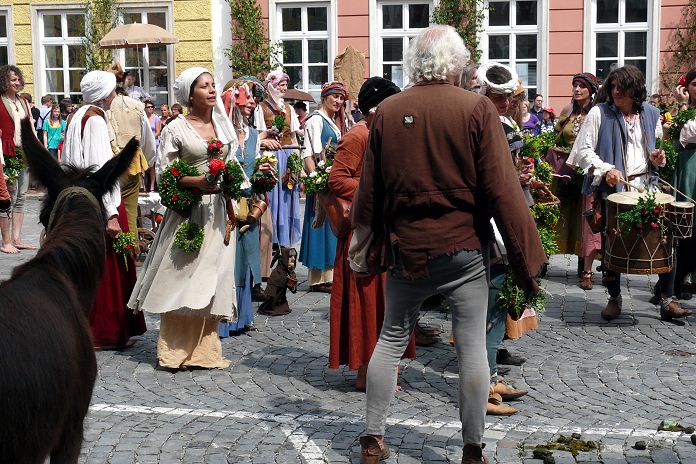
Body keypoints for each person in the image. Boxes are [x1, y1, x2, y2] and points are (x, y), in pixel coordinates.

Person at [353, 25, 546, 464]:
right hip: (463, 250)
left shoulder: (386, 112)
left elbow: (369, 192)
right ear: (456, 64)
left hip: (408, 249)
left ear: (415, 63)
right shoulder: (476, 109)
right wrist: (528, 260)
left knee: (390, 339)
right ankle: (473, 449)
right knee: (473, 346)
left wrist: (366, 241)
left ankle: (372, 438)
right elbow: (502, 190)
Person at [128, 67, 244, 369]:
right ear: (189, 94)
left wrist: (242, 186)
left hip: (217, 211)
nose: (211, 89)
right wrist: (198, 183)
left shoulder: (222, 124)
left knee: (213, 277)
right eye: (203, 86)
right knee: (182, 275)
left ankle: (205, 351)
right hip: (188, 212)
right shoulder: (174, 129)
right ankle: (173, 351)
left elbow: (232, 165)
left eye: (213, 84)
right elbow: (165, 175)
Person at [569, 65, 692, 321]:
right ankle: (614, 298)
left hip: (647, 187)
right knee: (612, 244)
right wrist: (605, 169)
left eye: (621, 88)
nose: (615, 92)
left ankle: (667, 300)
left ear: (635, 90)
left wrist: (657, 158)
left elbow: (654, 151)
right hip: (614, 191)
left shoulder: (651, 113)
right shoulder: (598, 113)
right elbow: (583, 152)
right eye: (612, 86)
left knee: (665, 242)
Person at [328, 76, 416, 391]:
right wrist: (376, 190)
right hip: (362, 233)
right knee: (366, 301)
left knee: (383, 302)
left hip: (382, 229)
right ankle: (369, 373)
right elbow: (337, 180)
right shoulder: (358, 135)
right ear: (374, 108)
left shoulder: (382, 133)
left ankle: (375, 372)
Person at [62, 70, 147, 349]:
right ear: (103, 94)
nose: (114, 96)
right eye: (112, 91)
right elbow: (101, 168)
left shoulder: (77, 115)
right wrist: (111, 212)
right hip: (100, 202)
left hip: (80, 199)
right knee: (110, 267)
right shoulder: (96, 120)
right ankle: (105, 332)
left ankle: (83, 326)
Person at [477, 62, 535, 416]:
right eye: (501, 96)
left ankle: (491, 374)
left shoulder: (498, 120)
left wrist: (521, 175)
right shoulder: (486, 121)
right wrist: (517, 177)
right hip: (491, 224)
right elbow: (492, 176)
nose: (508, 102)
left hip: (502, 218)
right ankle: (482, 384)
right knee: (490, 301)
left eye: (509, 97)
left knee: (499, 300)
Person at [219, 81, 275, 335]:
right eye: (247, 97)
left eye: (253, 99)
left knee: (244, 258)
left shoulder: (253, 135)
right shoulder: (220, 133)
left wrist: (264, 178)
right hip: (225, 204)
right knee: (226, 260)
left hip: (248, 204)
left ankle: (242, 316)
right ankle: (223, 318)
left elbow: (253, 169)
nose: (252, 102)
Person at [299, 82, 346, 293]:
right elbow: (309, 153)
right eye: (334, 97)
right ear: (325, 97)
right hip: (321, 178)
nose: (338, 101)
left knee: (331, 226)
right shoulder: (316, 120)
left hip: (330, 177)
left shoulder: (331, 121)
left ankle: (330, 273)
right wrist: (317, 179)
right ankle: (319, 277)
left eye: (341, 98)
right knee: (321, 223)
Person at [555, 72, 600, 286]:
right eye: (574, 85)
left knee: (584, 217)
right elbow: (554, 135)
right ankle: (546, 259)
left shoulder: (597, 113)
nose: (577, 89)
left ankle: (585, 265)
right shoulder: (567, 110)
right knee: (562, 215)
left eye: (582, 86)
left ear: (591, 90)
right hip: (565, 172)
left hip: (587, 174)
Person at [108, 80, 156, 235]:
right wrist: (145, 162)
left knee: (109, 214)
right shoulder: (136, 106)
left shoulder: (103, 108)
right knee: (130, 215)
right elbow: (148, 142)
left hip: (110, 164)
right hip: (132, 163)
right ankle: (130, 251)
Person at [0, 65, 34, 254]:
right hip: (7, 153)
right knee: (8, 196)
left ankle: (16, 238)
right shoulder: (0, 101)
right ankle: (6, 241)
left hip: (24, 152)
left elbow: (29, 126)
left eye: (18, 79)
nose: (17, 82)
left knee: (21, 196)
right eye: (13, 80)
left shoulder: (23, 101)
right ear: (4, 80)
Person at [669, 68, 696, 298]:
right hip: (686, 165)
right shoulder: (683, 109)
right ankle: (680, 277)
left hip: (693, 163)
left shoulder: (686, 111)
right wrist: (682, 107)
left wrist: (683, 108)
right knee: (684, 222)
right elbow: (677, 134)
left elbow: (689, 132)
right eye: (695, 84)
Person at [144, 99, 161, 192]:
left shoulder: (156, 118)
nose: (150, 108)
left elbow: (158, 132)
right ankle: (143, 185)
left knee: (152, 166)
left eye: (152, 107)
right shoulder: (144, 118)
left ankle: (152, 186)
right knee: (142, 164)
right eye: (148, 107)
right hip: (145, 143)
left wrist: (151, 137)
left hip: (154, 143)